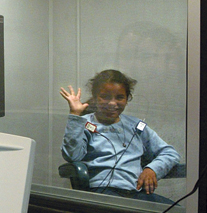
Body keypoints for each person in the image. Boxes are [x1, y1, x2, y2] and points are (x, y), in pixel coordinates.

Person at [59, 69, 180, 203]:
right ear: (94, 97)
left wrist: (152, 169)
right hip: (102, 192)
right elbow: (72, 155)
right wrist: (75, 116)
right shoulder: (85, 123)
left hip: (136, 193)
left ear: (127, 99)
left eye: (119, 97)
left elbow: (170, 153)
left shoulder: (136, 126)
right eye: (105, 96)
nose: (112, 103)